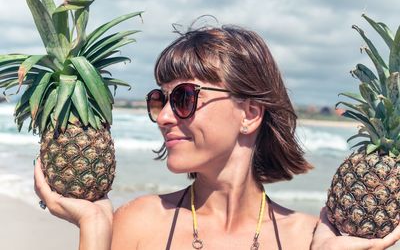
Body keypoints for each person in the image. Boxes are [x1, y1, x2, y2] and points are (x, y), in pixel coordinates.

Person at [34, 24, 400, 250]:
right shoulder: (137, 223)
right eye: (160, 99)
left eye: (183, 98)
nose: (162, 117)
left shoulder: (313, 239)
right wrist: (94, 228)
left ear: (250, 113)